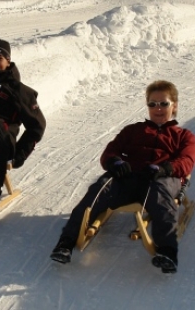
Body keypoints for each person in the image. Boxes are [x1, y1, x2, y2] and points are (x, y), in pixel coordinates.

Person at [50, 80, 195, 274]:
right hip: (129, 178)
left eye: (164, 103)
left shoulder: (183, 135)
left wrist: (166, 168)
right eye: (152, 104)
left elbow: (187, 160)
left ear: (174, 105)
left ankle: (167, 251)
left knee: (161, 194)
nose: (158, 108)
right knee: (102, 186)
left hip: (160, 178)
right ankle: (66, 242)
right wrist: (115, 163)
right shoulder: (133, 130)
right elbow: (110, 152)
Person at [0, 39, 46, 228]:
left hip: (1, 140)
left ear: (8, 61)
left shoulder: (17, 90)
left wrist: (20, 153)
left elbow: (37, 125)